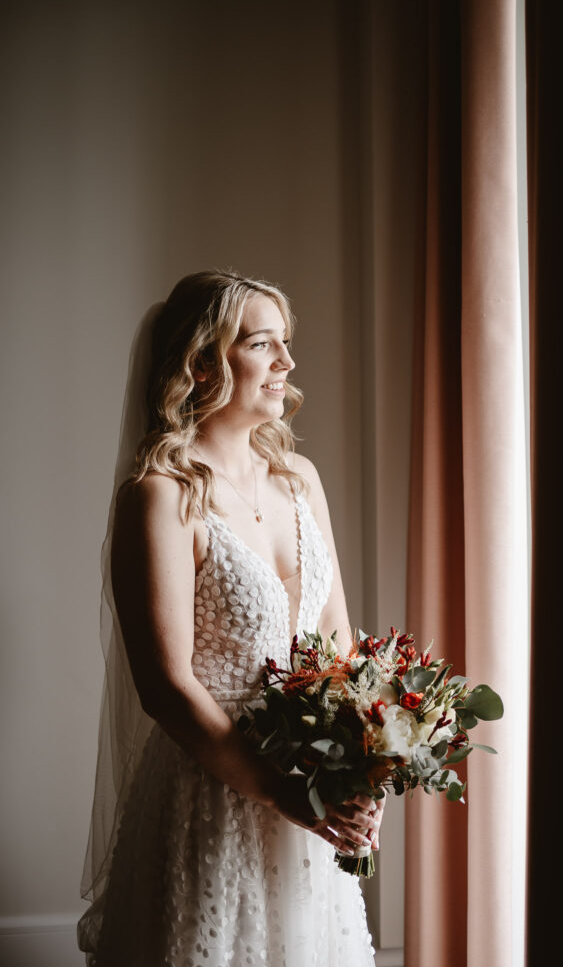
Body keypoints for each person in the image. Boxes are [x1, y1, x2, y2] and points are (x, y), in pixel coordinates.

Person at [77, 269, 383, 966]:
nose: (288, 363)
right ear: (203, 362)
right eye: (263, 344)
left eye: (286, 344)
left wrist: (359, 775)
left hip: (308, 793)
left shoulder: (299, 481)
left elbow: (336, 641)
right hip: (208, 799)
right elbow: (165, 686)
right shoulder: (160, 497)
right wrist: (280, 791)